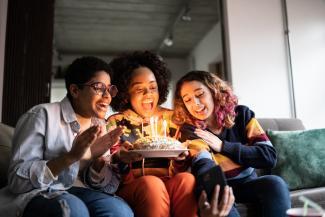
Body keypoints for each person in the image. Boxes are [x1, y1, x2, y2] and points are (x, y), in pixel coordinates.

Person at [0, 57, 134, 217]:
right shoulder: (41, 115)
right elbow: (17, 180)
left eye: (110, 89)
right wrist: (70, 157)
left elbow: (103, 187)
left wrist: (102, 161)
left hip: (82, 193)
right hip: (39, 194)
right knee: (73, 208)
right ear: (75, 90)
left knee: (119, 211)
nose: (107, 96)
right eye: (99, 87)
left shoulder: (99, 125)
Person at [173, 70, 291, 217]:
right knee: (219, 194)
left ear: (214, 92)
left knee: (275, 183)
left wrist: (223, 146)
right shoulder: (190, 130)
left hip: (248, 185)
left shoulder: (242, 115)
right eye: (188, 99)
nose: (195, 104)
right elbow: (203, 163)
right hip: (219, 186)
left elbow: (268, 156)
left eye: (200, 94)